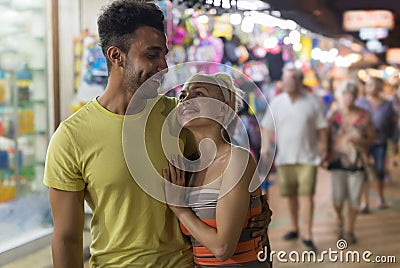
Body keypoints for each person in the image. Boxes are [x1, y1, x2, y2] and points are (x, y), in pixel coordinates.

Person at [43, 1, 271, 267]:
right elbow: (66, 239)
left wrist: (254, 208)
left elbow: (227, 176)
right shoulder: (71, 137)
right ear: (116, 56)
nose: (163, 66)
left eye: (164, 54)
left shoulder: (181, 118)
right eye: (152, 55)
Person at [163, 73, 271, 267]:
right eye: (183, 96)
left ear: (224, 109)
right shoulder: (189, 168)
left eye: (199, 94)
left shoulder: (237, 159)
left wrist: (180, 209)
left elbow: (223, 248)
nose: (186, 100)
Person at [260, 63, 327, 252]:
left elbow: (322, 129)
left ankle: (307, 233)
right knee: (290, 196)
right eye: (286, 79)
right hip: (285, 158)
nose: (287, 83)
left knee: (306, 196)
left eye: (291, 79)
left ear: (299, 81)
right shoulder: (277, 102)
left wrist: (323, 150)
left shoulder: (312, 102)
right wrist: (265, 147)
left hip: (308, 157)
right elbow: (266, 126)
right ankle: (294, 227)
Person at [325, 81, 375, 244]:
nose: (348, 98)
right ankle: (340, 220)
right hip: (337, 160)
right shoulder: (334, 115)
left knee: (354, 197)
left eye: (351, 95)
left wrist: (361, 142)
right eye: (345, 94)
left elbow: (372, 137)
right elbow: (326, 136)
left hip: (357, 161)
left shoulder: (364, 115)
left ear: (355, 96)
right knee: (337, 198)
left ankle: (349, 229)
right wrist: (325, 155)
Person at [356, 77, 398, 212]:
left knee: (380, 169)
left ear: (379, 87)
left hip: (380, 141)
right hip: (363, 142)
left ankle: (380, 197)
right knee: (363, 171)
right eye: (368, 84)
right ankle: (365, 201)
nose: (370, 87)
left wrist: (394, 141)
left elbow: (393, 124)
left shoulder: (387, 104)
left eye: (373, 84)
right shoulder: (360, 103)